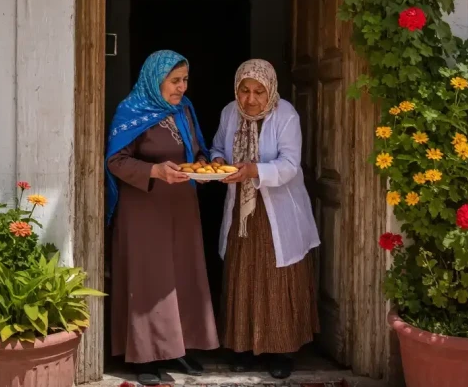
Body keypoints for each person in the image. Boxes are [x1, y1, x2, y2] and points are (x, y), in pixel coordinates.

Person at [106, 50, 219, 386]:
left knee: (183, 276)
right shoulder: (131, 110)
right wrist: (154, 170)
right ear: (156, 80)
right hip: (144, 209)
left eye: (185, 80)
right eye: (175, 80)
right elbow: (115, 161)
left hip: (182, 206)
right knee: (147, 281)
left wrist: (201, 162)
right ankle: (143, 357)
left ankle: (177, 348)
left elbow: (196, 148)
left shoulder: (184, 110)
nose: (182, 87)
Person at [210, 59, 320, 379]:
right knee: (242, 274)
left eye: (259, 91)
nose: (251, 99)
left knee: (276, 276)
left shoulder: (284, 115)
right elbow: (218, 145)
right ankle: (242, 347)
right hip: (242, 213)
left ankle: (281, 351)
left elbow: (289, 165)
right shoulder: (230, 113)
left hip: (276, 211)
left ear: (270, 90)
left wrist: (253, 170)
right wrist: (218, 160)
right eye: (244, 90)